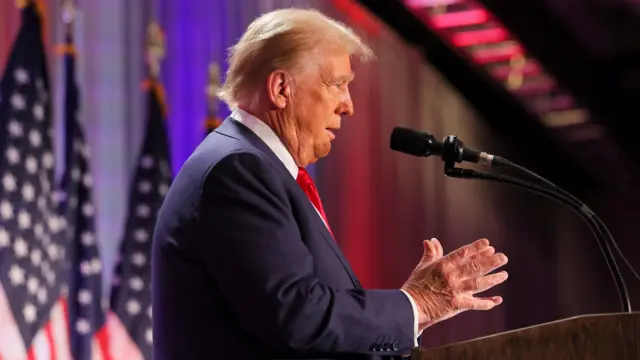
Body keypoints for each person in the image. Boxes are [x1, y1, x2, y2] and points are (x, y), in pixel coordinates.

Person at [151, 8, 509, 360]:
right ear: (280, 88)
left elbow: (309, 320)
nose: (348, 105)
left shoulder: (260, 169)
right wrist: (415, 304)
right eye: (337, 84)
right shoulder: (238, 169)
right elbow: (296, 315)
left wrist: (409, 313)